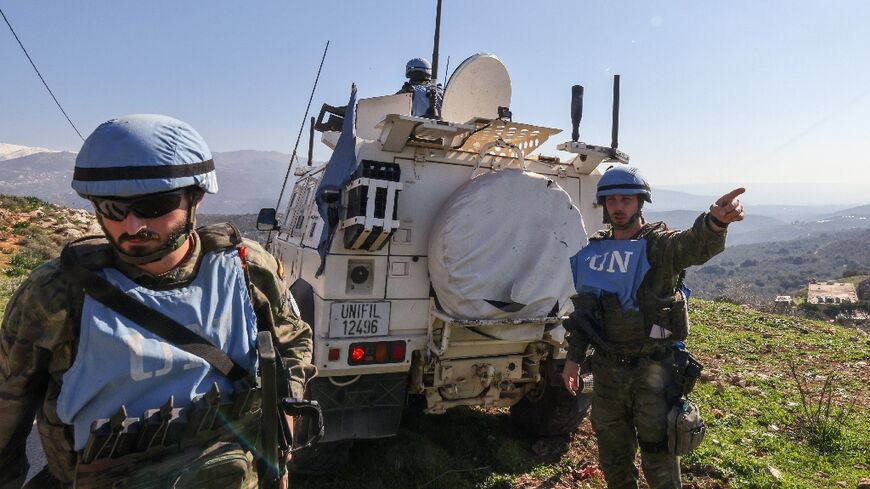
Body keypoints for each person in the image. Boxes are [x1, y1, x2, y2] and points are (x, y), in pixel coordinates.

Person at [0, 114, 314, 489]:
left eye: (154, 206)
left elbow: (292, 341)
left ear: (196, 197)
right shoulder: (55, 295)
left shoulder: (248, 269)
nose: (132, 226)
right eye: (112, 208)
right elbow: (7, 411)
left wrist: (285, 418)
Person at [560, 165, 744, 489]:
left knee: (659, 460)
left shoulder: (658, 246)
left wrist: (715, 223)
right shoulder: (596, 250)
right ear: (603, 204)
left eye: (626, 200)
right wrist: (574, 359)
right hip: (607, 374)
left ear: (640, 203)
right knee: (614, 460)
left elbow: (692, 245)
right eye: (612, 200)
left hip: (653, 374)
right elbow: (585, 311)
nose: (618, 207)